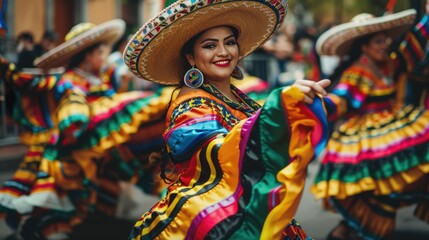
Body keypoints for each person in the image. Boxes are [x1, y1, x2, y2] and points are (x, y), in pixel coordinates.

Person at [123, 0, 331, 239]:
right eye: (210, 45)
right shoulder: (190, 103)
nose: (223, 52)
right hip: (212, 220)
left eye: (229, 42)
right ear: (191, 57)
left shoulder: (235, 95)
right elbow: (219, 152)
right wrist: (278, 109)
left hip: (243, 207)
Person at [0, 19, 171, 239]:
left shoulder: (98, 80)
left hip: (94, 150)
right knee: (59, 202)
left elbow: (112, 103)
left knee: (96, 196)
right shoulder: (69, 82)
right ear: (88, 57)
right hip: (70, 151)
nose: (104, 57)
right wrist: (77, 119)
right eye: (100, 52)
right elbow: (71, 108)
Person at [312, 8, 429, 240]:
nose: (385, 44)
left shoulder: (389, 65)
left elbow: (412, 49)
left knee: (385, 184)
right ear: (364, 46)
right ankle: (345, 231)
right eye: (378, 40)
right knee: (373, 188)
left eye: (386, 38)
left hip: (392, 126)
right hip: (365, 137)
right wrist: (315, 106)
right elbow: (341, 99)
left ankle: (346, 230)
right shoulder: (359, 71)